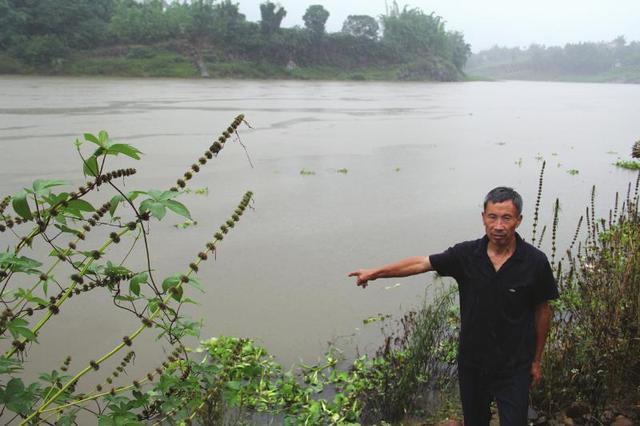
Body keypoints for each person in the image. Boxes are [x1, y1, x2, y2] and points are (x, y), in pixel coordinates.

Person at [348, 187, 558, 426]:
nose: (498, 225)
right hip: (473, 364)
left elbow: (542, 311)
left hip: (514, 367)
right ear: (483, 218)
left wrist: (536, 360)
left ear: (518, 221)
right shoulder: (466, 255)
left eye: (506, 218)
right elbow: (420, 263)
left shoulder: (535, 262)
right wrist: (375, 273)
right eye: (492, 217)